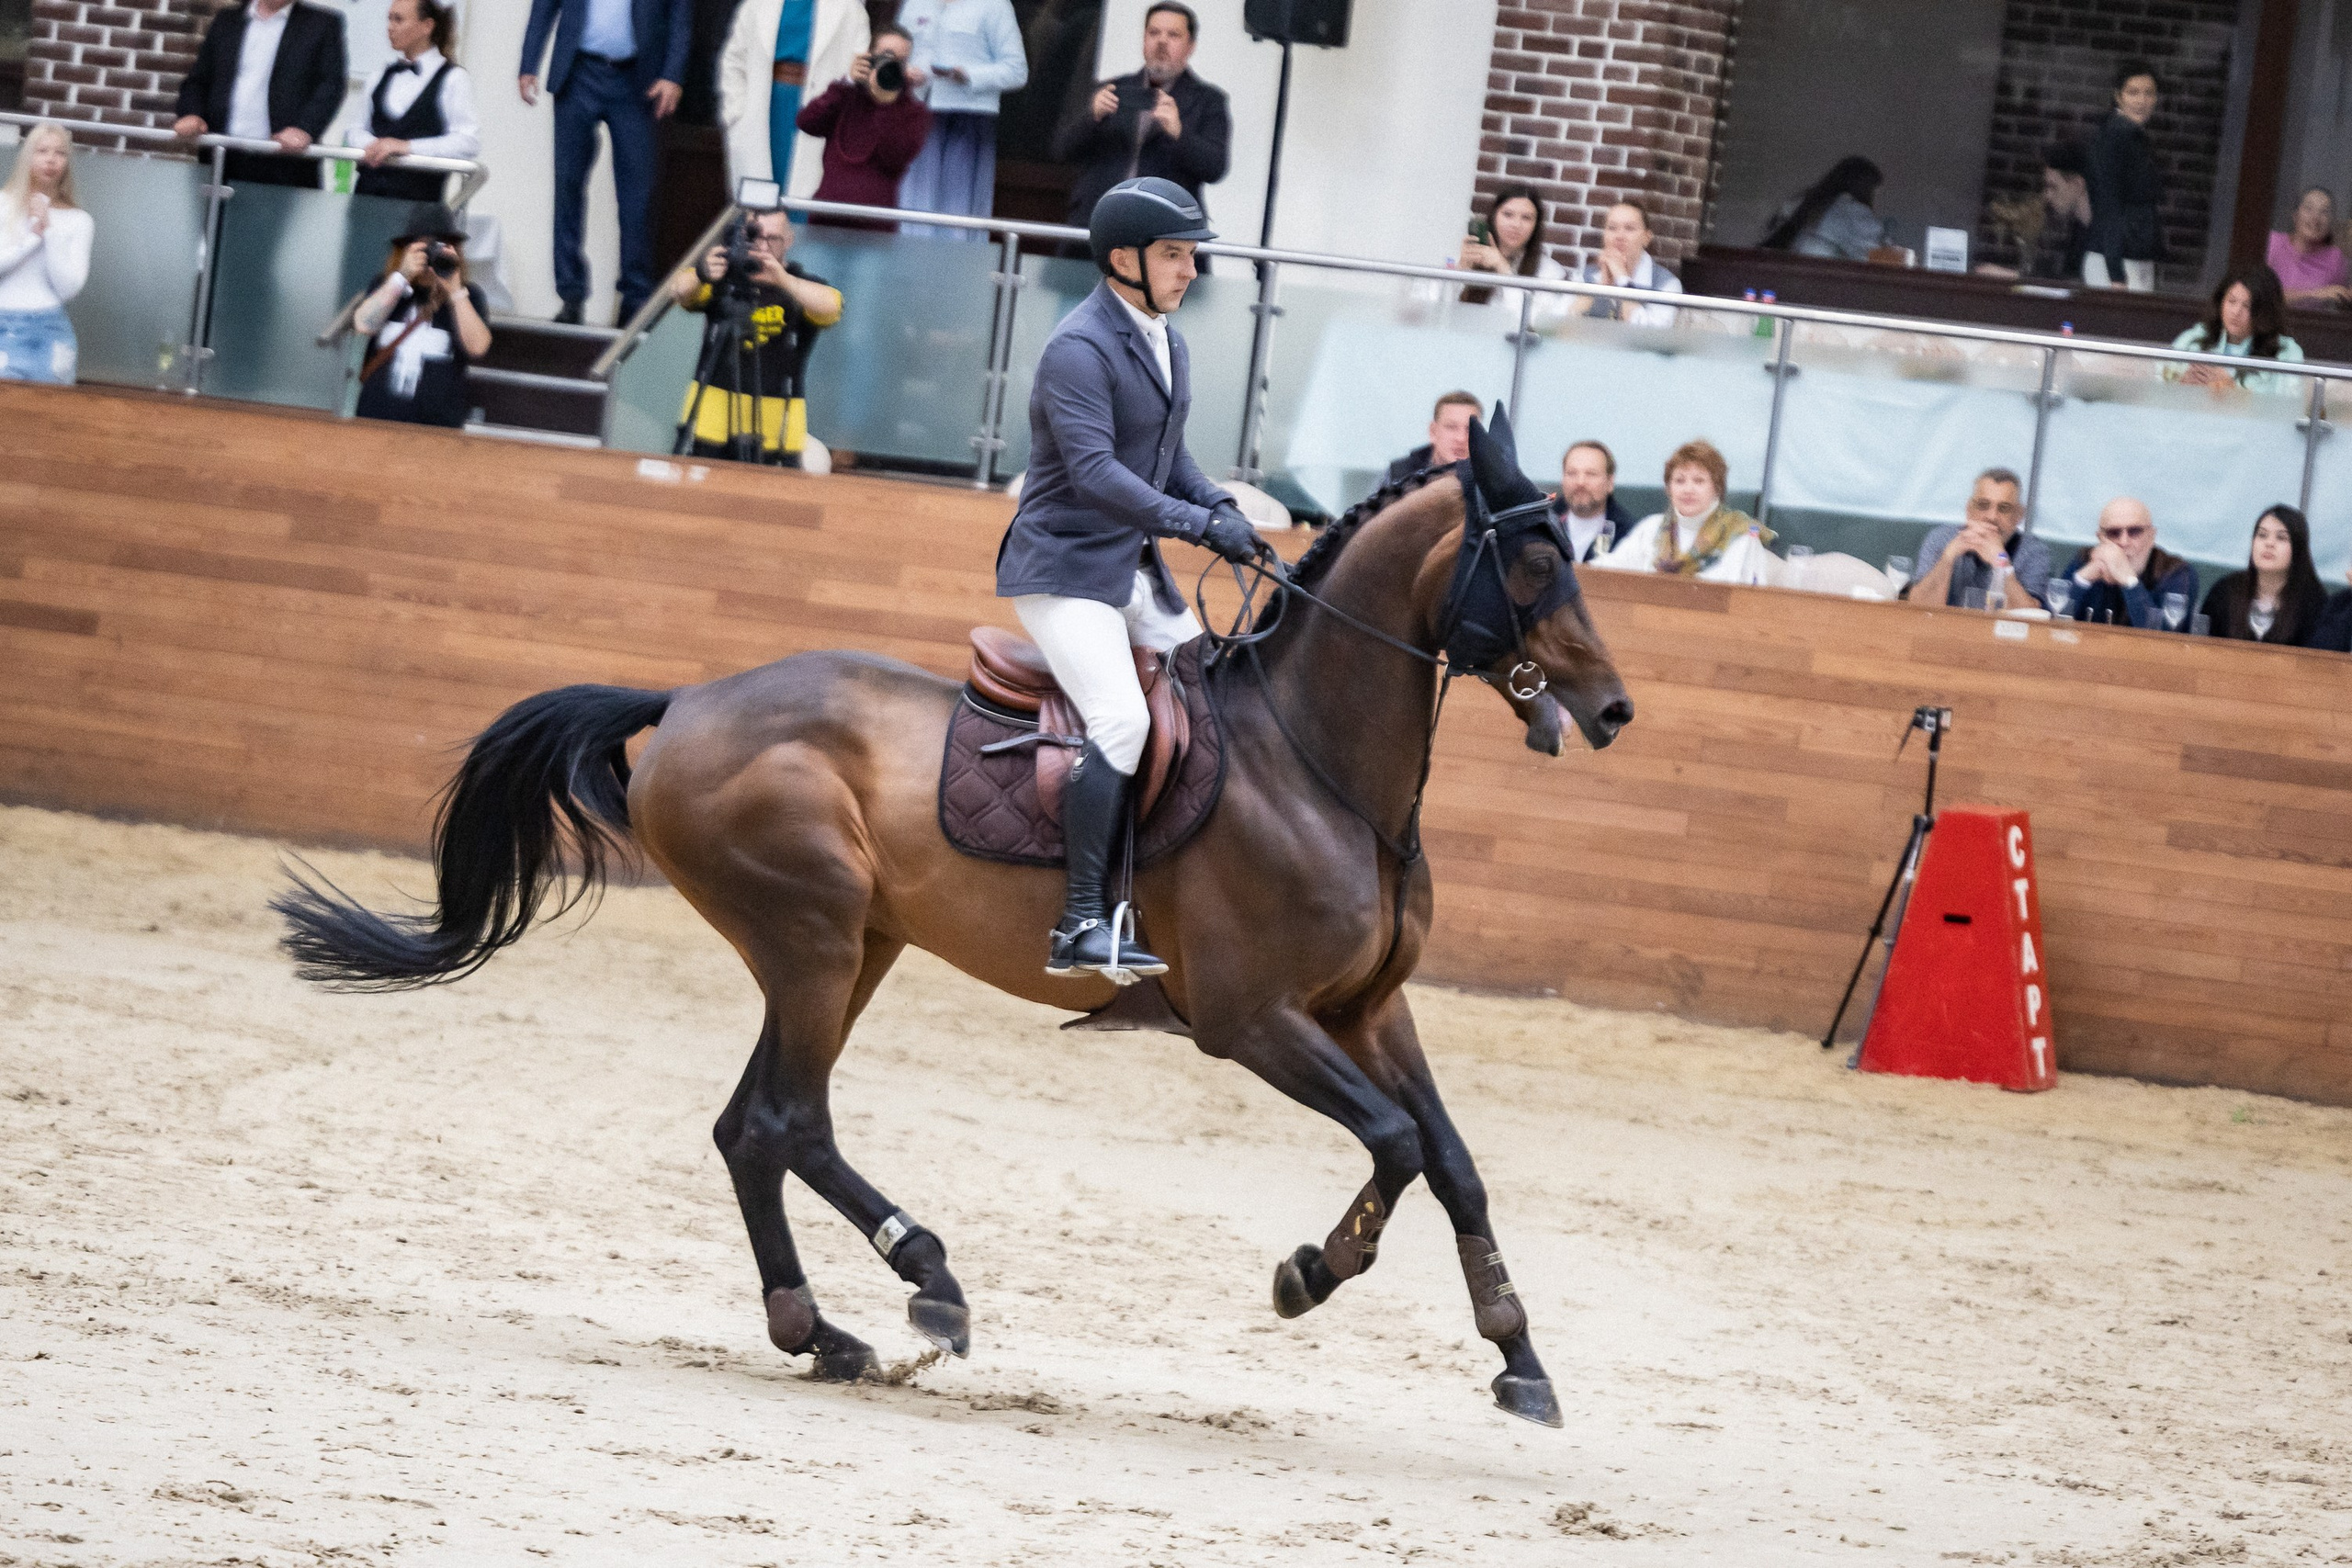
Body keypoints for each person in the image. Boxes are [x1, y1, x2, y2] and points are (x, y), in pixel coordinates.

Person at [994, 176, 1266, 980]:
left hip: (1129, 567)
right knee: (1120, 720)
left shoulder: (1164, 337)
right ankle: (1079, 923)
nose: (1190, 271)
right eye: (1175, 255)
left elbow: (1165, 452)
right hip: (1066, 568)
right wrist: (1195, 525)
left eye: (1190, 255)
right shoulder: (1076, 348)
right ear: (1123, 259)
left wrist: (1219, 503)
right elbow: (1096, 474)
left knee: (1216, 693)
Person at [519, 0, 693, 325]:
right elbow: (544, 6)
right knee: (568, 185)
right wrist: (529, 63)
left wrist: (673, 74)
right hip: (578, 72)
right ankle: (570, 295)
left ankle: (635, 299)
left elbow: (681, 16)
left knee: (638, 196)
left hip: (639, 80)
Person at [670, 209, 842, 467]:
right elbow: (678, 290)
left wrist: (782, 280)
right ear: (741, 237)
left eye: (773, 240)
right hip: (713, 418)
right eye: (754, 238)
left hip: (777, 425)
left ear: (790, 240)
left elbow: (831, 305)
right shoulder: (722, 279)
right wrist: (702, 272)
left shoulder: (798, 284)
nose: (762, 248)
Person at [1050, 4, 1231, 247]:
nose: (1162, 42)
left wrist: (1179, 133)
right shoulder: (1111, 89)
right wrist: (1091, 117)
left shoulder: (1208, 101)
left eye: (1173, 35)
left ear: (1191, 46)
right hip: (1100, 226)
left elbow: (1215, 168)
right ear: (1144, 39)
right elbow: (1060, 150)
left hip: (1167, 232)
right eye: (1153, 33)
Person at [172, 0, 348, 188]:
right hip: (222, 155)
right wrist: (192, 113)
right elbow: (199, 79)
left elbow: (331, 85)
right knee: (214, 217)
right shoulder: (228, 20)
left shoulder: (322, 24)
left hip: (284, 158)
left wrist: (304, 129)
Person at [351, 204, 492, 429]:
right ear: (404, 250)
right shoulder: (386, 286)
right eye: (421, 249)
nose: (429, 258)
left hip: (438, 428)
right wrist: (401, 276)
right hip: (375, 421)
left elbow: (477, 347)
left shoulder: (468, 295)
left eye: (438, 248)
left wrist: (454, 289)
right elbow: (363, 324)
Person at [896, 0, 1029, 234]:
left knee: (958, 216)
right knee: (910, 205)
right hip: (916, 116)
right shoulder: (915, 4)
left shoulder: (994, 5)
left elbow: (1017, 70)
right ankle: (908, 267)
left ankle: (954, 269)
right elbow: (895, 53)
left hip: (967, 119)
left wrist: (969, 75)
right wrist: (902, 71)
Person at [719, 0, 868, 202]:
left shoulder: (850, 8)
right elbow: (733, 60)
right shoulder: (757, 4)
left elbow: (859, 67)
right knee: (758, 206)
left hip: (819, 111)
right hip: (764, 108)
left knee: (805, 199)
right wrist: (736, 112)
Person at [796, 27, 933, 231]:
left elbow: (895, 158)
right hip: (827, 216)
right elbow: (807, 122)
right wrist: (847, 83)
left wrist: (886, 104)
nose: (891, 64)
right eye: (885, 56)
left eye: (900, 60)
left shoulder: (914, 111)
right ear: (868, 56)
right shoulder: (846, 94)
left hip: (875, 223)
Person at [344, 0, 480, 203]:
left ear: (427, 26)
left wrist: (407, 147)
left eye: (399, 19)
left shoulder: (453, 79)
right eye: (389, 19)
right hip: (365, 199)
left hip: (419, 206)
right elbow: (355, 128)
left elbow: (468, 142)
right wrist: (374, 145)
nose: (390, 27)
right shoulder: (379, 75)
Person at [1597, 439, 1776, 586]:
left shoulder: (1743, 537)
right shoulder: (1651, 529)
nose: (1688, 489)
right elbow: (1608, 571)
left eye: (1699, 481)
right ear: (1669, 488)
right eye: (1679, 480)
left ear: (1717, 488)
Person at [0, 123, 92, 386]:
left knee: (50, 420)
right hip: (3, 325)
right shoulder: (3, 204)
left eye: (60, 153)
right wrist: (32, 238)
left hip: (49, 330)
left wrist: (49, 233)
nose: (51, 159)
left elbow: (68, 288)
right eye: (42, 151)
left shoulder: (79, 220)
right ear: (27, 156)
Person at [1901, 468, 2050, 610]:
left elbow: (2032, 620)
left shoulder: (2034, 552)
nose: (1992, 516)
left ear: (2019, 515)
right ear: (1969, 509)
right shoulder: (1941, 538)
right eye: (1983, 505)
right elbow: (1917, 608)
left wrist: (2001, 562)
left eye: (2004, 508)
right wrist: (1947, 558)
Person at [2053, 497, 2197, 630]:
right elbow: (2050, 622)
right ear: (2100, 538)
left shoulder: (2175, 571)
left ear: (2151, 536)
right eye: (2113, 533)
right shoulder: (2085, 559)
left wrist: (2129, 581)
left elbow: (2165, 634)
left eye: (2134, 531)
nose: (2124, 542)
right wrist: (2083, 579)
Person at [2198, 505, 2329, 646]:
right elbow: (2199, 643)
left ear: (2298, 549)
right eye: (2262, 535)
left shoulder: (2314, 602)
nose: (2269, 543)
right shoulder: (2226, 590)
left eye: (2281, 538)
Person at [2085, 62, 2163, 291]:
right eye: (2133, 92)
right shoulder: (2119, 135)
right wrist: (2115, 272)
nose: (2142, 101)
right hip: (2116, 260)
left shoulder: (2130, 136)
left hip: (2132, 255)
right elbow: (2109, 202)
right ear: (2118, 97)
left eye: (2149, 93)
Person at [2166, 265, 2303, 394]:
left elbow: (2288, 410)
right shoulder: (2194, 338)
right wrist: (2180, 387)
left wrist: (2232, 391)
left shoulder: (2287, 353)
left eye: (2247, 306)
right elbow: (2160, 384)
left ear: (2265, 311)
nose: (2236, 312)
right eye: (2231, 301)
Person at [1978, 143, 2092, 283]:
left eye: (2053, 187)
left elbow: (2079, 288)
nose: (2046, 196)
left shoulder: (2107, 234)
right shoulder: (2079, 231)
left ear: (2077, 185)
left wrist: (2016, 278)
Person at [1457, 184, 1566, 315]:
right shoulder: (1472, 257)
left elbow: (1530, 322)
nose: (1516, 225)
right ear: (1494, 216)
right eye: (1508, 215)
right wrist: (1460, 271)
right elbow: (1438, 306)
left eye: (1526, 218)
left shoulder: (1549, 271)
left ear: (1536, 225)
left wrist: (1503, 268)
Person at [1573, 201, 1682, 327]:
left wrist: (1622, 279)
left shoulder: (1667, 284)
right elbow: (1562, 323)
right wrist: (1599, 287)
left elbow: (1652, 336)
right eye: (1612, 228)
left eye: (1630, 228)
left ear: (1646, 238)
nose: (1619, 236)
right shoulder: (1585, 274)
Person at [1759, 156, 1887, 261]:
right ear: (1867, 188)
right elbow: (1872, 254)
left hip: (1788, 273)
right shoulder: (1855, 212)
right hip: (1823, 278)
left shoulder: (1804, 201)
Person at [1549, 440, 1637, 563]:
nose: (1580, 482)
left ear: (1610, 483)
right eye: (1572, 473)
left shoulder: (1630, 534)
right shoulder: (1541, 525)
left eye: (1591, 474)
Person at [2267, 186, 2347, 309]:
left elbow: (2341, 302)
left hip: (2311, 326)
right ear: (2295, 215)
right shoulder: (2273, 243)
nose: (2315, 218)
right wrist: (2315, 294)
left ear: (2331, 222)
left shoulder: (2335, 258)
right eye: (2308, 208)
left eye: (2324, 212)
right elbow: (2259, 294)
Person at [1384, 391, 1480, 485]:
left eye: (1470, 429)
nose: (1461, 438)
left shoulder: (1487, 478)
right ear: (1433, 431)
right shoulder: (1399, 473)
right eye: (1451, 427)